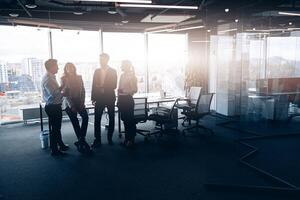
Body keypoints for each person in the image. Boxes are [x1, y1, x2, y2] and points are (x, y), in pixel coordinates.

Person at [61, 63, 91, 154]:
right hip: (69, 103)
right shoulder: (63, 79)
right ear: (65, 69)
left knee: (85, 117)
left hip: (79, 101)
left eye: (71, 67)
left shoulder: (79, 77)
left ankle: (81, 141)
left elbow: (83, 90)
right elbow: (65, 94)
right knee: (75, 122)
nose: (70, 69)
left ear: (74, 68)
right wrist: (72, 106)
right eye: (68, 68)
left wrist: (82, 102)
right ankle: (82, 142)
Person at [42, 59, 69, 156]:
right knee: (55, 129)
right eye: (56, 66)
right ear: (51, 67)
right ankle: (54, 150)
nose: (58, 67)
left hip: (54, 106)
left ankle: (60, 145)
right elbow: (53, 93)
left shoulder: (51, 77)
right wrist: (63, 86)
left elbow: (56, 93)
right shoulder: (48, 79)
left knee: (57, 128)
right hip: (53, 107)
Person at [91, 53, 117, 147]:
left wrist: (102, 86)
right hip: (99, 97)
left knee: (111, 118)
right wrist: (93, 98)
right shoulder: (97, 71)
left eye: (102, 59)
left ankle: (110, 138)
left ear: (107, 60)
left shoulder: (113, 71)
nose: (101, 61)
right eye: (100, 59)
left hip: (109, 96)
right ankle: (97, 139)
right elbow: (93, 85)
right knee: (97, 119)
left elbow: (114, 85)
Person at [117, 60, 138, 148]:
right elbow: (119, 89)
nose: (121, 66)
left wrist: (123, 91)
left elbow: (134, 90)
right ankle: (127, 139)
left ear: (126, 66)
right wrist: (118, 99)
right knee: (125, 120)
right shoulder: (122, 75)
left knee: (130, 121)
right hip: (121, 99)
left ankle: (131, 140)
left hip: (128, 100)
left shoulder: (132, 76)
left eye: (122, 65)